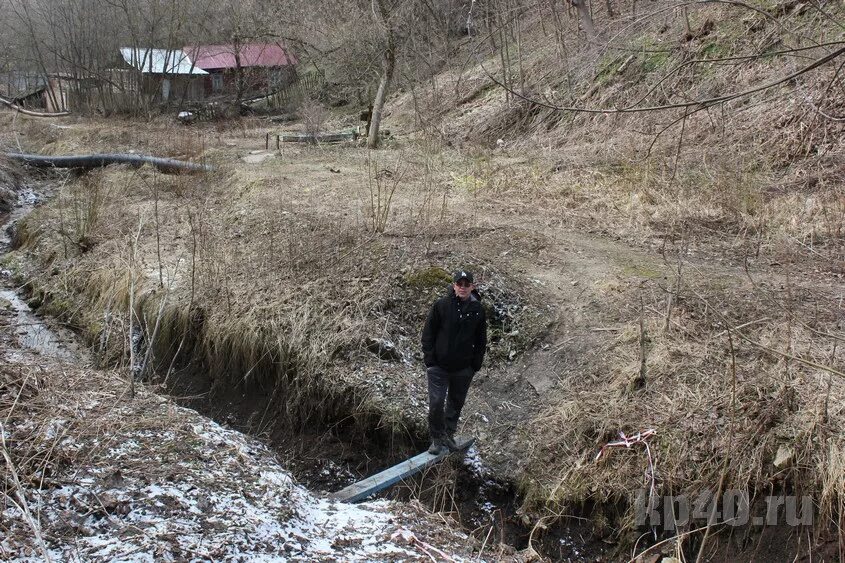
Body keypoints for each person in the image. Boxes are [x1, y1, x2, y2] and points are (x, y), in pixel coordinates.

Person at [421, 270, 487, 455]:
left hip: (463, 369)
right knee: (436, 403)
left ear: (472, 287)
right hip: (438, 367)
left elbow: (481, 339)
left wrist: (475, 365)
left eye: (467, 284)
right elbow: (428, 333)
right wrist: (430, 359)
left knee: (455, 403)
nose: (463, 288)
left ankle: (448, 435)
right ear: (454, 285)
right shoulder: (441, 305)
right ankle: (436, 438)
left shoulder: (478, 310)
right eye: (460, 284)